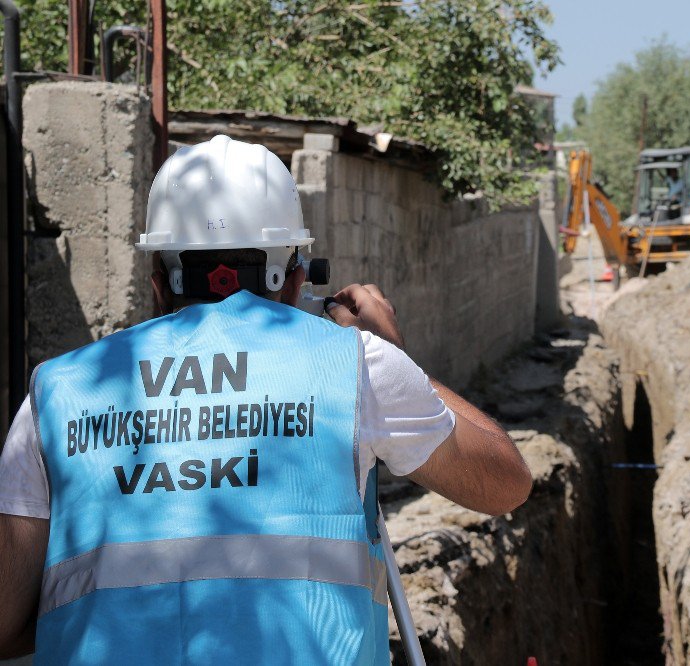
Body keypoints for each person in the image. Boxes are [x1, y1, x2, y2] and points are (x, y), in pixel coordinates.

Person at [0, 135, 532, 664]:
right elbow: (505, 483)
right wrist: (393, 357)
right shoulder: (355, 366)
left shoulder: (57, 393)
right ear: (296, 277)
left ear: (158, 280)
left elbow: (6, 622)